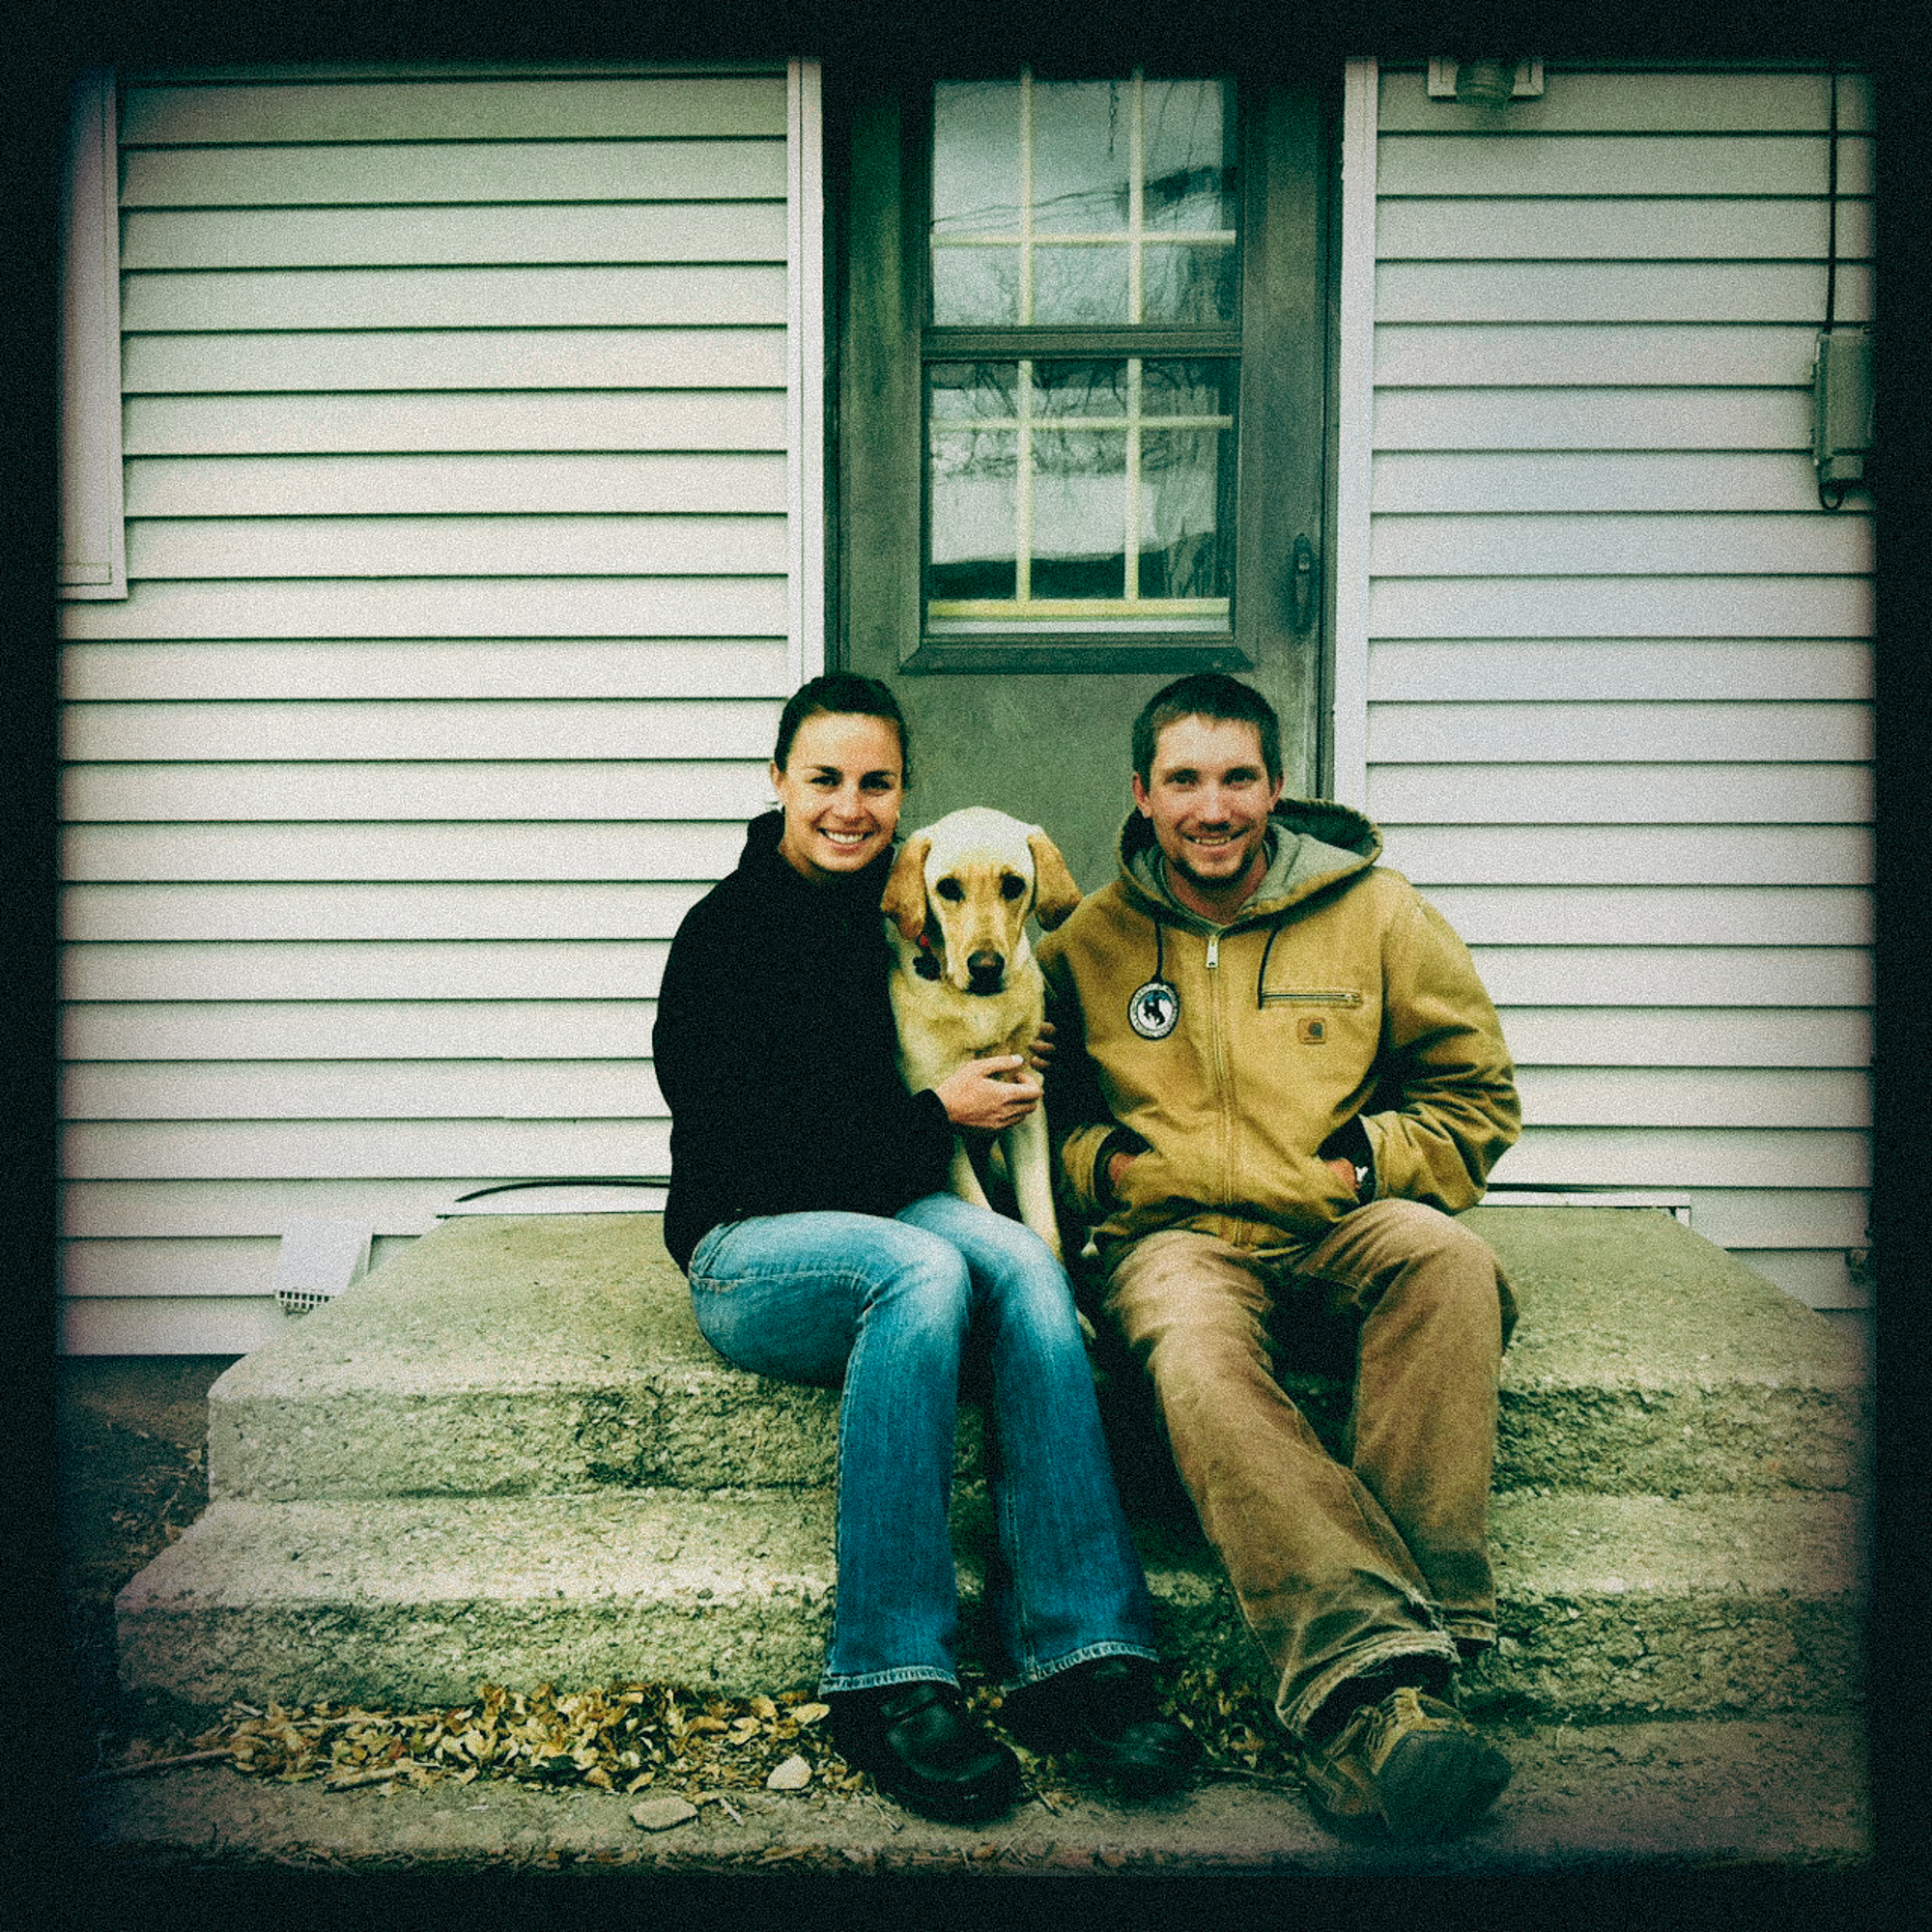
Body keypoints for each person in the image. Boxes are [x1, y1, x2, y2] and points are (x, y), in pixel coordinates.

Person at [650, 671, 1198, 1824]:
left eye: (875, 783)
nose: (849, 805)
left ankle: (1078, 1651)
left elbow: (996, 1033)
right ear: (778, 784)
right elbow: (743, 1146)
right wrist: (932, 1113)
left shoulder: (915, 902)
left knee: (1023, 1268)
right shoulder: (723, 933)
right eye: (824, 780)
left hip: (897, 1206)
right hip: (751, 1246)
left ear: (903, 799)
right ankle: (889, 1671)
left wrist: (1023, 1058)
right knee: (927, 1265)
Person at [1037, 671, 1522, 1843]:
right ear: (1141, 796)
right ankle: (1386, 1695)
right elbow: (1032, 1120)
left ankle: (1416, 1651)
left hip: (1334, 1221)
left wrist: (1368, 1161)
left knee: (1447, 1261)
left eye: (1238, 777)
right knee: (1191, 1342)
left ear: (1277, 785)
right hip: (1176, 1239)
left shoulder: (1377, 911)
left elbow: (1474, 1094)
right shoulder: (1085, 942)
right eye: (1185, 780)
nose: (1214, 806)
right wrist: (1101, 1168)